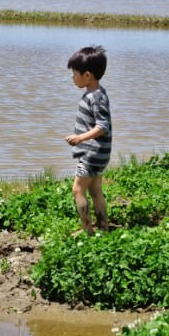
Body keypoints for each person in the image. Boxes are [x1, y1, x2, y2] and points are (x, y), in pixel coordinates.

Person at [64, 45, 112, 235]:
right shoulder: (96, 93)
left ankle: (88, 232)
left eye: (75, 73)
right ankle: (103, 228)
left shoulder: (96, 98)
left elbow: (102, 126)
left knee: (77, 190)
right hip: (99, 153)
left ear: (87, 76)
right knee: (95, 190)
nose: (72, 77)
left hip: (92, 153)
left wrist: (79, 138)